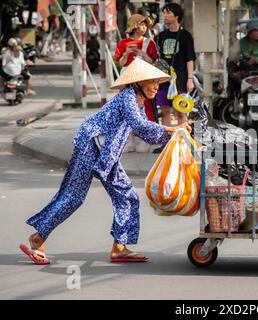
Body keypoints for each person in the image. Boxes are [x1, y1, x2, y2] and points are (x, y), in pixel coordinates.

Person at [19, 58, 192, 265]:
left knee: (127, 196)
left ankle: (120, 247)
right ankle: (37, 239)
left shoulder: (139, 102)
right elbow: (139, 124)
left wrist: (175, 135)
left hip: (107, 155)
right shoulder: (128, 96)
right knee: (73, 197)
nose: (156, 86)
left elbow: (147, 133)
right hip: (89, 147)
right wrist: (172, 129)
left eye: (158, 82)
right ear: (139, 82)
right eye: (153, 81)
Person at [154, 2, 196, 153]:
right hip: (163, 80)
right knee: (165, 111)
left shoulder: (186, 36)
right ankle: (167, 143)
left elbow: (190, 59)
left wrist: (190, 79)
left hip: (181, 80)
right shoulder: (160, 36)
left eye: (168, 13)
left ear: (176, 16)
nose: (165, 16)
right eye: (164, 13)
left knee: (180, 111)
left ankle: (183, 142)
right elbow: (156, 59)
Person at [114, 13, 159, 152]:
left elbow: (154, 62)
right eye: (142, 24)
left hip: (144, 80)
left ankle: (146, 139)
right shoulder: (123, 43)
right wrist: (126, 53)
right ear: (134, 26)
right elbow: (121, 63)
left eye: (146, 25)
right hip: (128, 80)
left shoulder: (149, 43)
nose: (144, 27)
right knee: (129, 108)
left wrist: (142, 54)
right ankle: (130, 140)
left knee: (146, 109)